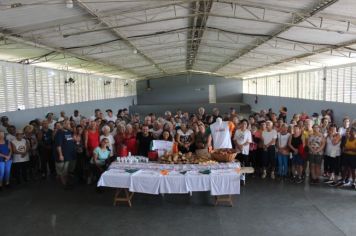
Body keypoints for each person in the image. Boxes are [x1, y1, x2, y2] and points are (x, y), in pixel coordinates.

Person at [54, 120, 76, 188]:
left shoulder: (69, 132)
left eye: (69, 123)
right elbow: (58, 145)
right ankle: (65, 185)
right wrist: (60, 155)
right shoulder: (59, 133)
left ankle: (66, 182)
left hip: (68, 155)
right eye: (66, 123)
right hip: (62, 155)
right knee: (62, 172)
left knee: (66, 171)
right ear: (62, 124)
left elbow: (70, 141)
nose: (68, 125)